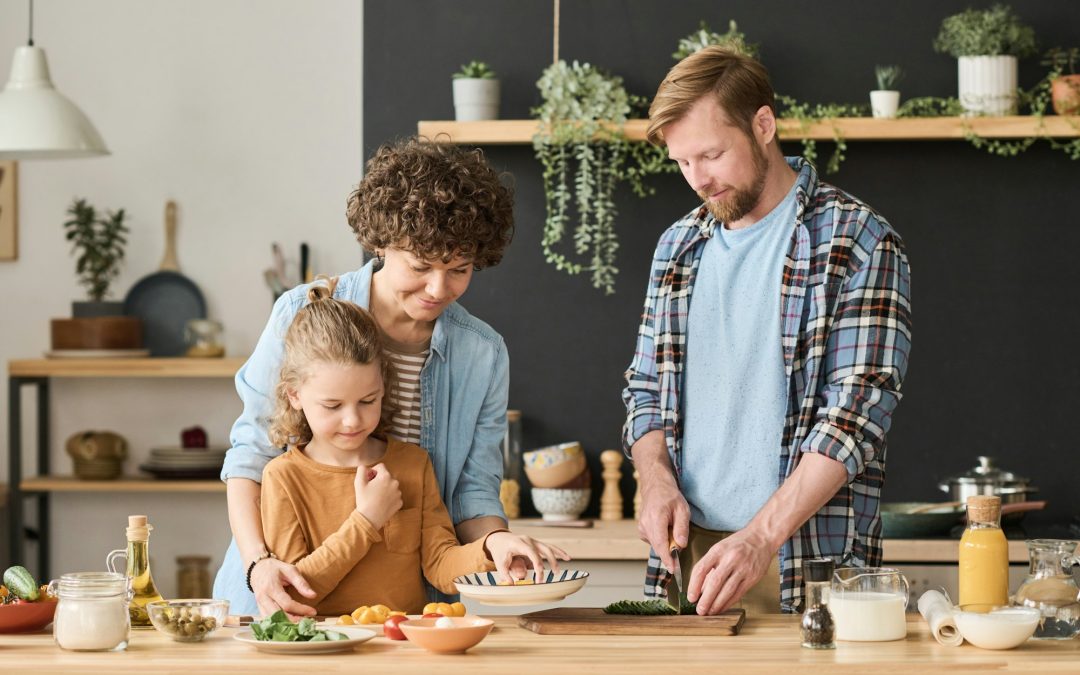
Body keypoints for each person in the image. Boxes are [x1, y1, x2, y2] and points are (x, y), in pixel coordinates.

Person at [623, 46, 912, 615]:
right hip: (687, 558)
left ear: (763, 124)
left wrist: (759, 538)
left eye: (711, 154)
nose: (699, 180)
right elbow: (645, 388)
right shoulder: (677, 248)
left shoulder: (859, 241)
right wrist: (654, 480)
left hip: (804, 557)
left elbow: (855, 415)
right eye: (682, 163)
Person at [214, 137, 552, 617]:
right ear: (382, 241)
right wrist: (258, 564)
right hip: (279, 593)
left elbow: (473, 490)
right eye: (420, 266)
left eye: (460, 269)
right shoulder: (299, 313)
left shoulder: (482, 353)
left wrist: (496, 542)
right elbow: (250, 457)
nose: (439, 288)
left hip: (404, 612)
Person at [259, 277, 566, 614]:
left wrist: (492, 546)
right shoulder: (283, 478)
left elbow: (440, 565)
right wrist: (366, 521)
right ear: (294, 395)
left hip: (404, 649)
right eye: (332, 406)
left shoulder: (411, 464)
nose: (353, 420)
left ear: (384, 387)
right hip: (326, 656)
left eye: (368, 400)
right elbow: (296, 591)